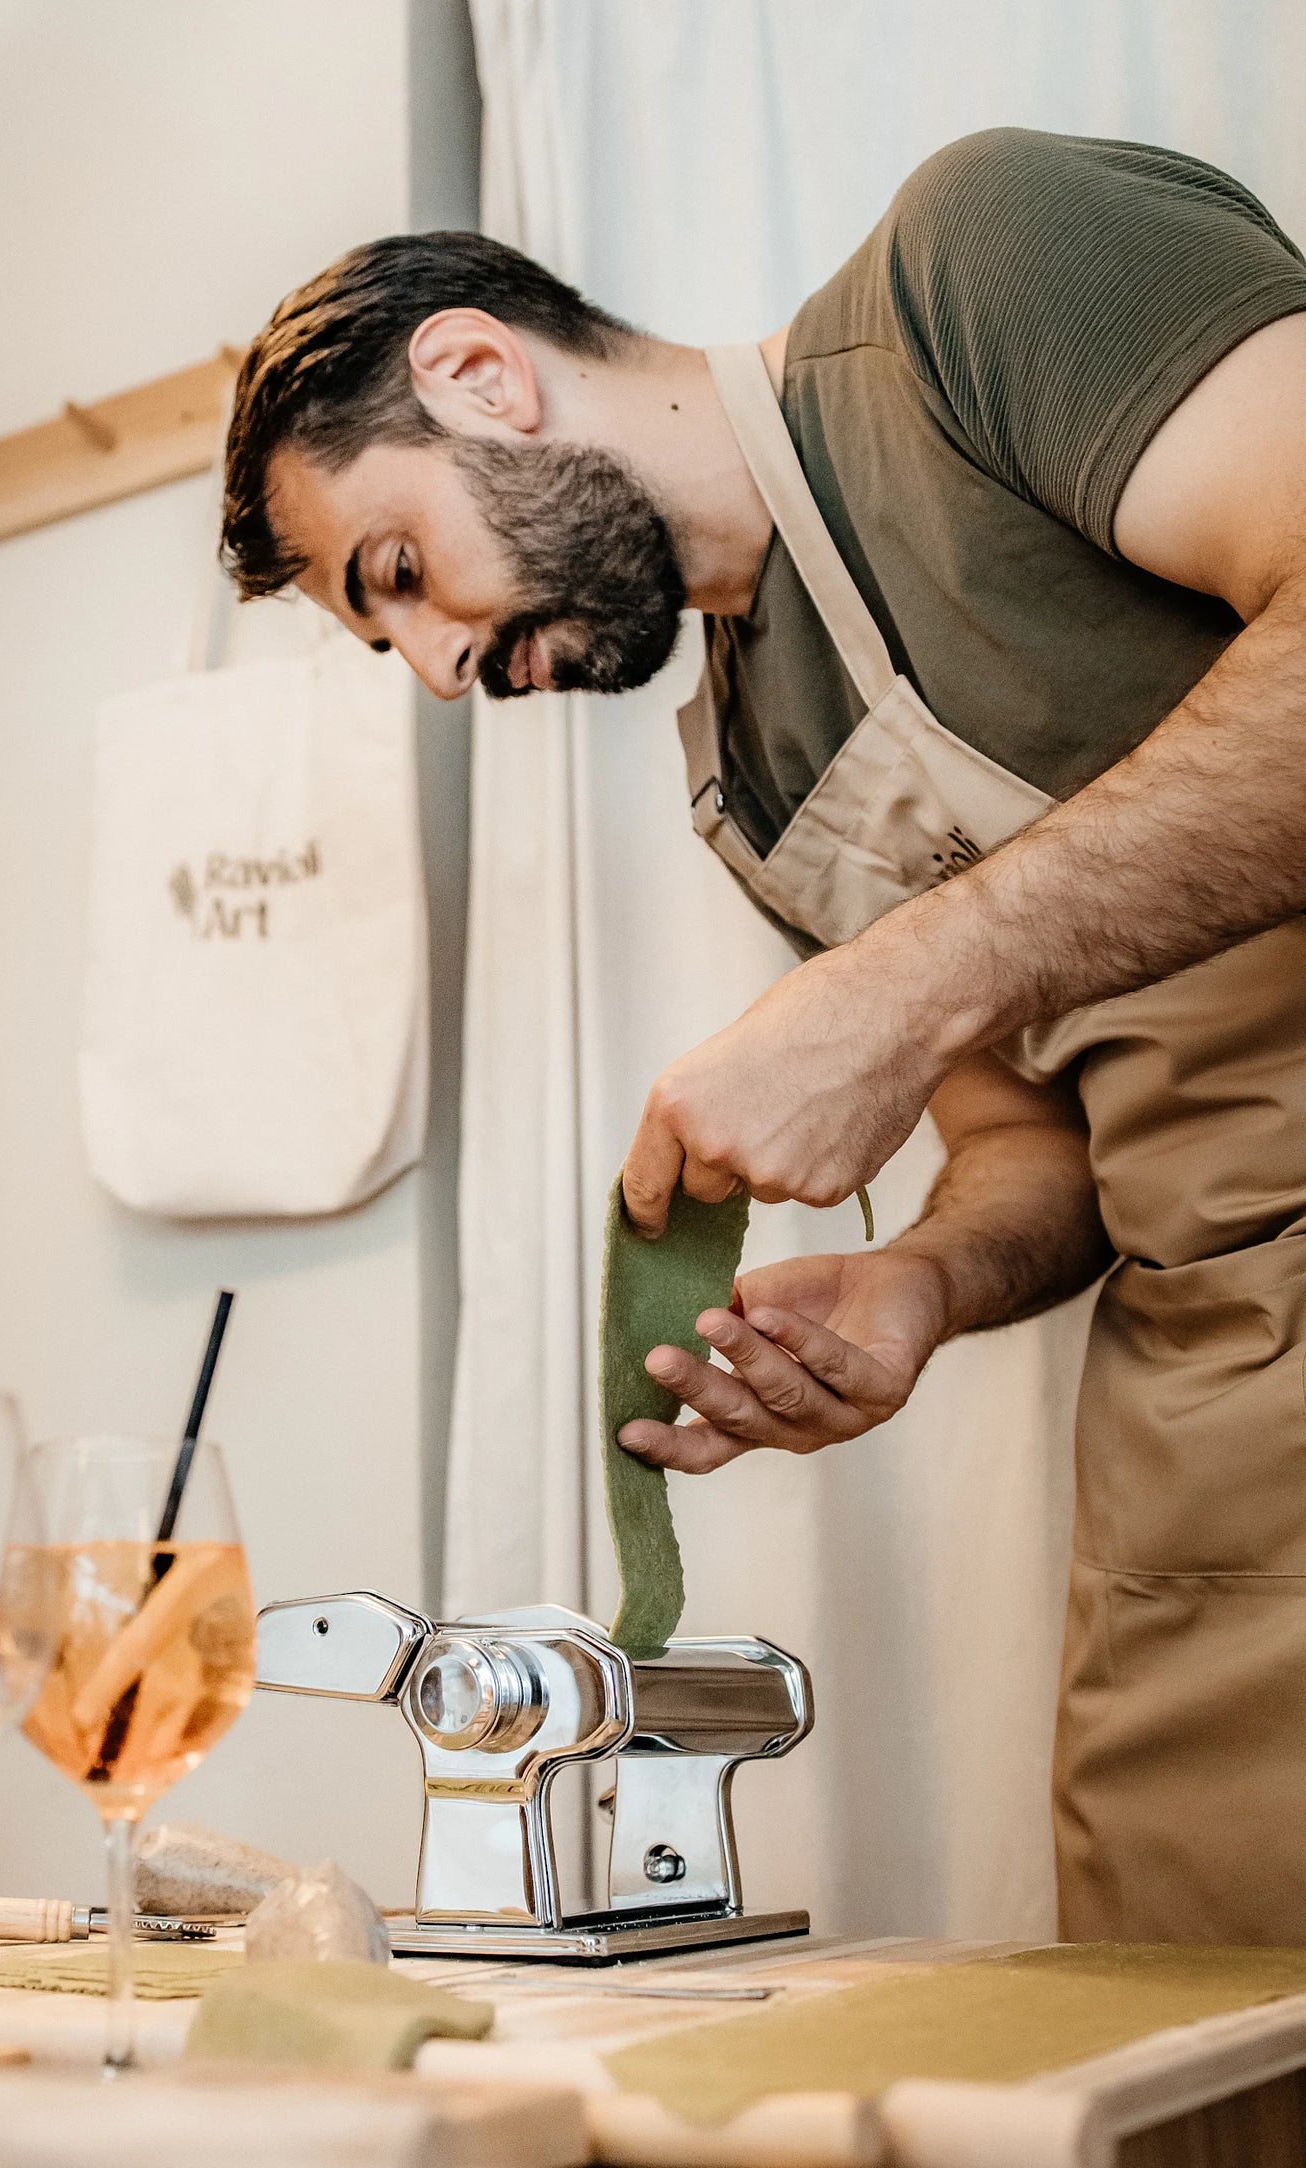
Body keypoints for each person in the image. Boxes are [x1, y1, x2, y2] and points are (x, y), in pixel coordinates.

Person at [220, 127, 1306, 1943]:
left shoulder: (983, 268)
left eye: (399, 571)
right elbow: (1042, 1148)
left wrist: (895, 985)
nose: (440, 673)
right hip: (1212, 1428)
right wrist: (922, 1288)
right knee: (1179, 2054)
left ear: (482, 373)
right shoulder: (746, 772)